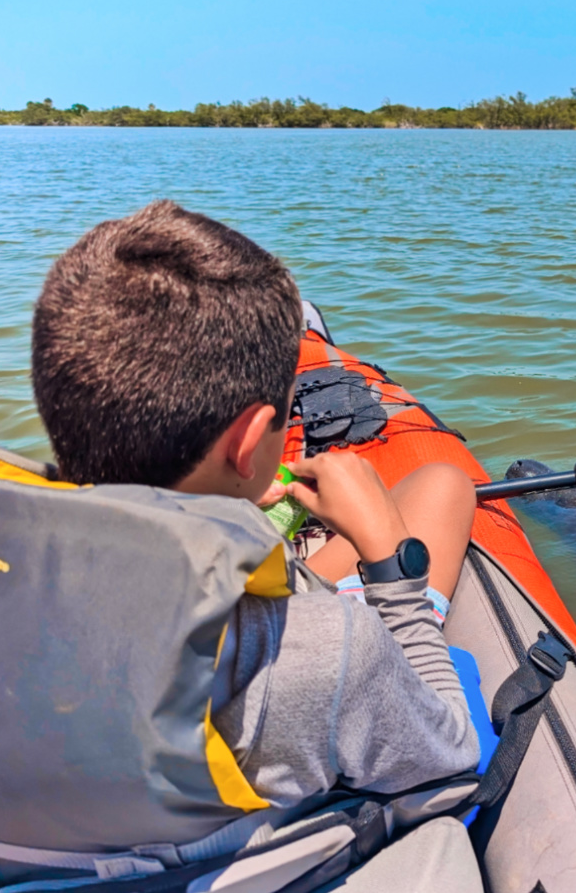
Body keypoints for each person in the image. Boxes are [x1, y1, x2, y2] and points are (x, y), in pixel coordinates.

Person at [28, 200, 480, 815]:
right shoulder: (328, 653)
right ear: (247, 444)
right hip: (260, 808)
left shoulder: (6, 573)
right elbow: (449, 749)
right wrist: (388, 569)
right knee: (442, 486)